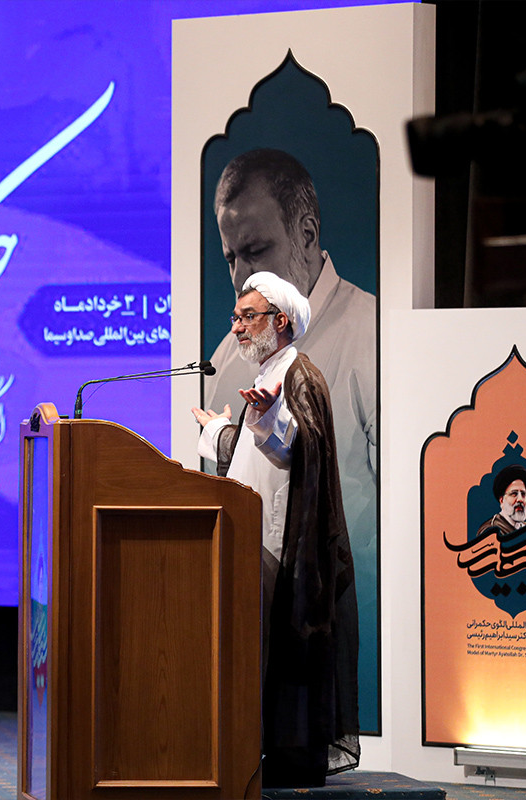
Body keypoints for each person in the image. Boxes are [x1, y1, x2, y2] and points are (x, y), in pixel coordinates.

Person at [191, 271, 359, 788]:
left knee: (282, 658)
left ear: (280, 320)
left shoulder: (298, 375)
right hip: (254, 543)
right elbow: (252, 460)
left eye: (248, 317)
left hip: (283, 549)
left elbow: (301, 449)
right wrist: (219, 430)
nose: (237, 327)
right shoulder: (268, 375)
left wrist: (269, 419)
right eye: (235, 317)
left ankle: (285, 764)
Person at [203, 150, 377, 640]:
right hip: (248, 609)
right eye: (231, 258)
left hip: (339, 613)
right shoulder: (227, 359)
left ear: (307, 234)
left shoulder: (374, 336)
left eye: (256, 251)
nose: (241, 277)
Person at [478, 466, 526, 537]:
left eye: (523, 494)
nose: (520, 499)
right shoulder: (490, 530)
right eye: (514, 494)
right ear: (502, 500)